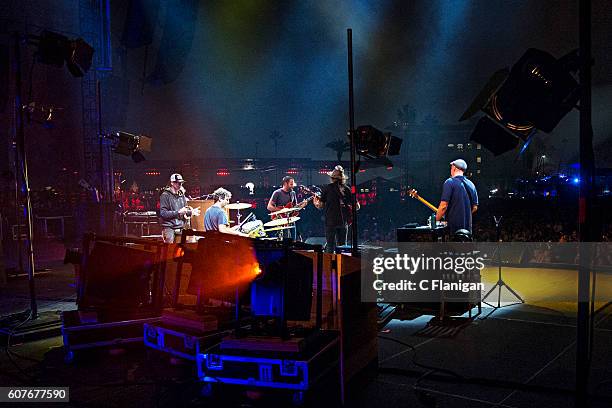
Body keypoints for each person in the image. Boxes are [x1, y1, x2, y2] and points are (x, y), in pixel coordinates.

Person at [313, 165, 359, 253]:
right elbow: (357, 207)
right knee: (342, 246)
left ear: (332, 178)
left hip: (330, 221)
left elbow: (321, 206)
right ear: (342, 178)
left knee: (330, 246)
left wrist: (316, 204)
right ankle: (342, 265)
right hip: (343, 221)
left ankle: (329, 266)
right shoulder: (347, 189)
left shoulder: (327, 188)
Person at [435, 159, 478, 236]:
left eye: (451, 168)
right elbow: (475, 207)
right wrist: (463, 214)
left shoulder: (449, 182)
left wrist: (435, 220)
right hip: (467, 230)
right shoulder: (472, 184)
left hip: (454, 229)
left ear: (454, 168)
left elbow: (443, 206)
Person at [159, 173, 200, 243]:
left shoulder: (181, 195)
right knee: (169, 248)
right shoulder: (165, 195)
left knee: (189, 243)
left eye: (181, 183)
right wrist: (178, 212)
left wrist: (191, 212)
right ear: (172, 183)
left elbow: (184, 209)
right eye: (178, 183)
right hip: (169, 227)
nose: (180, 184)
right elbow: (163, 213)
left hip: (181, 226)